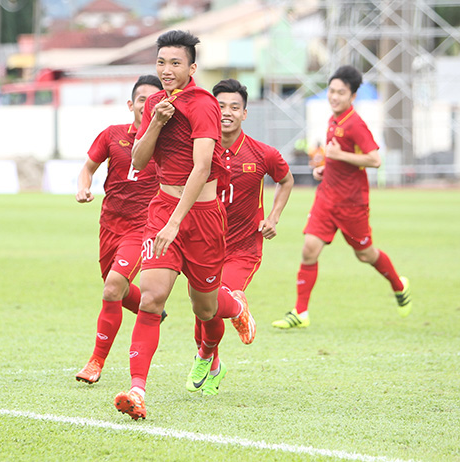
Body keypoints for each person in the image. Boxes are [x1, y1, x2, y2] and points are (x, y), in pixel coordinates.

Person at [113, 30, 256, 421]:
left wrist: (178, 221)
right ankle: (138, 390)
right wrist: (154, 124)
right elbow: (139, 161)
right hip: (162, 210)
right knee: (151, 298)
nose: (166, 70)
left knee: (206, 307)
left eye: (175, 63)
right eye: (161, 62)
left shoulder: (204, 105)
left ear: (192, 67)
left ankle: (235, 305)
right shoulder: (156, 103)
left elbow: (203, 166)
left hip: (202, 218)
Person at [272, 65, 412, 329]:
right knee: (309, 250)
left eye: (340, 92)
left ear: (352, 96)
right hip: (327, 198)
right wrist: (326, 167)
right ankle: (300, 312)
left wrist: (337, 157)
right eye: (331, 91)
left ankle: (398, 283)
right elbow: (340, 157)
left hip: (352, 203)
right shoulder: (333, 119)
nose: (334, 96)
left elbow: (375, 160)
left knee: (365, 254)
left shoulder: (355, 124)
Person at [192, 78, 294, 395]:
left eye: (234, 107)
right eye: (220, 106)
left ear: (245, 114)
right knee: (202, 311)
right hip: (204, 245)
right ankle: (214, 362)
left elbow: (286, 180)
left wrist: (273, 218)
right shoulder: (198, 151)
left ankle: (208, 351)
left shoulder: (263, 154)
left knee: (217, 299)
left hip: (243, 249)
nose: (227, 112)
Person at [74, 75, 163, 384]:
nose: (147, 105)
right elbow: (87, 168)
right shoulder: (112, 135)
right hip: (110, 224)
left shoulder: (168, 142)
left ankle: (95, 363)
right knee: (118, 290)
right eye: (142, 100)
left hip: (144, 227)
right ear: (131, 104)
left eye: (155, 100)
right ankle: (152, 307)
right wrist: (83, 188)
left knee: (112, 286)